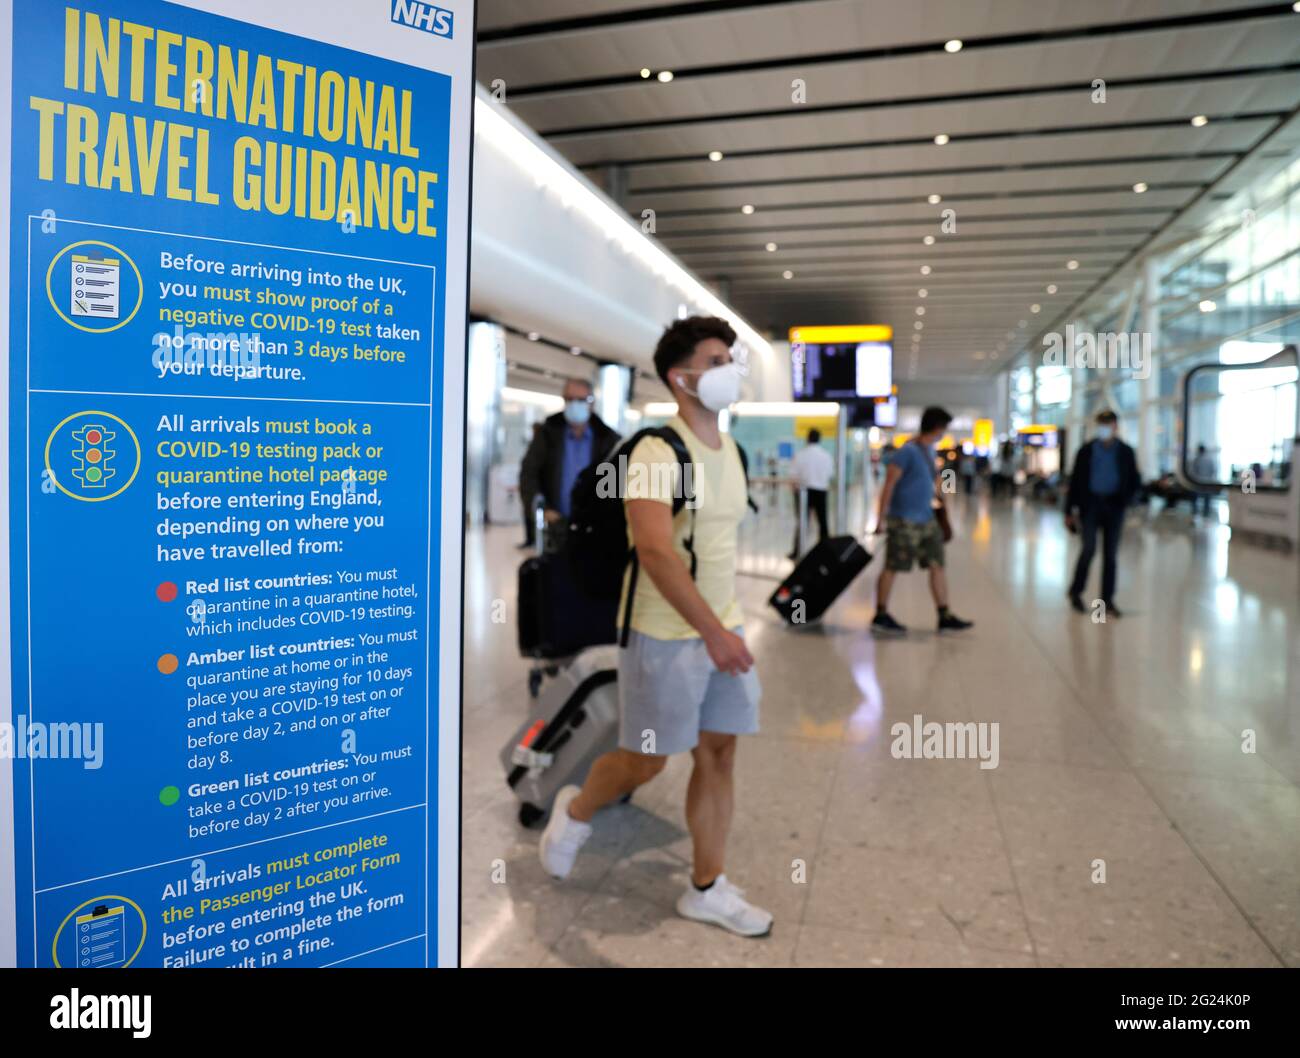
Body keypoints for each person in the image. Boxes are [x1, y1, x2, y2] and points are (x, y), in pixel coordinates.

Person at [538, 316, 771, 937]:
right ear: (683, 377)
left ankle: (707, 886)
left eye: (731, 357)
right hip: (663, 631)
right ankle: (578, 807)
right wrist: (713, 634)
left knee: (719, 753)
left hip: (722, 627)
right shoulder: (653, 451)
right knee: (646, 761)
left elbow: (714, 547)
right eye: (718, 359)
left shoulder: (732, 449)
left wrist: (729, 627)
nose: (731, 369)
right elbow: (655, 551)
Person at [871, 407, 974, 636]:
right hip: (903, 520)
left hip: (927, 519)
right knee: (893, 566)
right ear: (937, 428)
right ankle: (880, 614)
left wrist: (945, 499)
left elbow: (938, 481)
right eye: (944, 429)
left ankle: (944, 615)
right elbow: (888, 485)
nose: (944, 433)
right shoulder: (907, 452)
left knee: (937, 565)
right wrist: (880, 520)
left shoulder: (930, 451)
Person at [519, 378, 619, 549]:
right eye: (569, 399)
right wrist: (543, 511)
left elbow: (617, 483)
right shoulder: (547, 434)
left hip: (595, 529)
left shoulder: (608, 439)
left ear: (592, 403)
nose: (575, 405)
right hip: (556, 527)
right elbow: (529, 473)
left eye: (581, 400)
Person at [1065, 409, 1140, 617]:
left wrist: (1126, 500)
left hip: (1114, 508)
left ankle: (1107, 600)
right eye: (1101, 425)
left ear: (1115, 426)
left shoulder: (1125, 452)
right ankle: (1075, 592)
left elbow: (1134, 480)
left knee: (1110, 555)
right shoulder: (1086, 450)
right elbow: (1075, 482)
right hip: (1090, 506)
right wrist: (1069, 511)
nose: (1104, 429)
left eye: (1108, 425)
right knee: (1088, 549)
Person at [788, 427, 833, 558]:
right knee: (823, 522)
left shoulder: (801, 454)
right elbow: (830, 474)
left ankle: (797, 551)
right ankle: (826, 551)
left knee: (802, 522)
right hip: (821, 491)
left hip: (804, 492)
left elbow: (793, 475)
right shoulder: (826, 455)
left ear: (807, 439)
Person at [1190, 444, 1217, 517]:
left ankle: (1195, 513)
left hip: (1198, 481)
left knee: (1195, 498)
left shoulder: (1196, 459)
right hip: (1207, 482)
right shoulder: (1210, 459)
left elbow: (1193, 471)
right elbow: (1213, 471)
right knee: (1207, 499)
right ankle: (1206, 514)